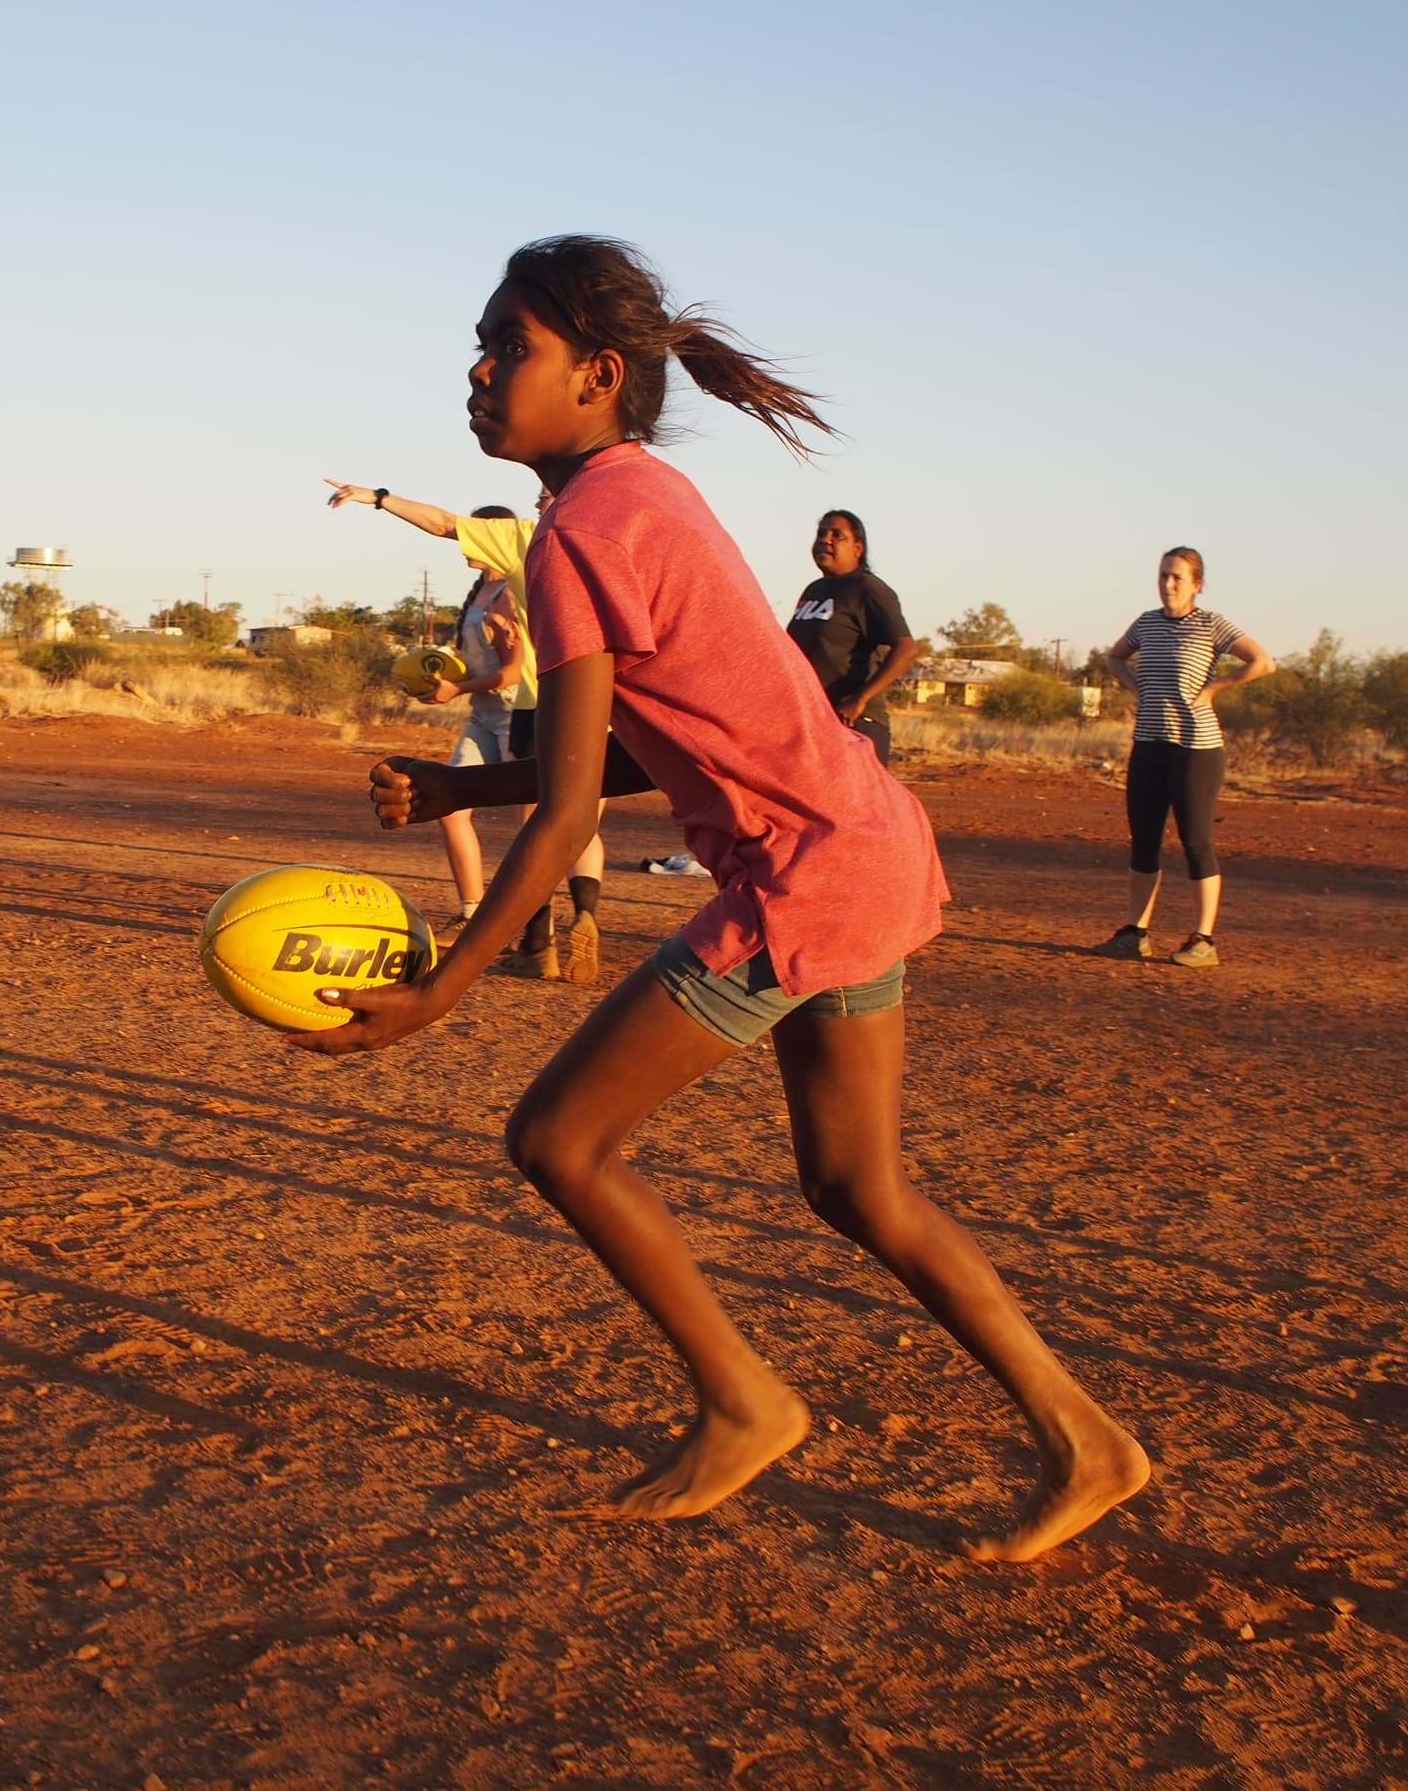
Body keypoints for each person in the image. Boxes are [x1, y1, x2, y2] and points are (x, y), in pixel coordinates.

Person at [295, 235, 1147, 1559]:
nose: (477, 372)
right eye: (481, 346)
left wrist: (441, 991)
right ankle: (1088, 1439)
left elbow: (572, 813)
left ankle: (747, 1403)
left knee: (560, 1139)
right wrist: (469, 786)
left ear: (597, 374)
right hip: (862, 843)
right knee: (859, 1185)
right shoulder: (648, 492)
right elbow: (671, 742)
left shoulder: (577, 537)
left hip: (801, 878)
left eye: (509, 347)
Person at [323, 477, 606, 986]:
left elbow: (443, 524)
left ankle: (535, 943)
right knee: (578, 817)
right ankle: (579, 914)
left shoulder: (528, 537)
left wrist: (378, 498)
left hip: (534, 702)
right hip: (599, 699)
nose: (539, 500)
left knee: (541, 824)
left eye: (545, 494)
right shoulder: (606, 538)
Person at [1096, 549, 1276, 967]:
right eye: (1163, 575)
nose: (1168, 583)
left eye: (1177, 577)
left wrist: (1214, 688)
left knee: (1195, 841)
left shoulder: (1211, 624)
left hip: (1196, 748)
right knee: (1144, 840)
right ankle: (1135, 933)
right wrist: (1136, 686)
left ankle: (1203, 939)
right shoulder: (1146, 623)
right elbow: (1114, 658)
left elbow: (1263, 663)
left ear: (1197, 584)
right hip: (1148, 744)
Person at [417, 547, 524, 939]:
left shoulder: (513, 591)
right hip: (483, 714)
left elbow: (513, 673)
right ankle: (471, 914)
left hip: (517, 715)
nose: (464, 545)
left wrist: (457, 689)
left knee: (531, 822)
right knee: (450, 807)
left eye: (476, 534)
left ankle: (530, 925)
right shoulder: (481, 590)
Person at [785, 508, 920, 763]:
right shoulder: (814, 590)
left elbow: (906, 648)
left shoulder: (869, 590)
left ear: (858, 549)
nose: (826, 540)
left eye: (837, 535)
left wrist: (860, 700)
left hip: (854, 723)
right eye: (821, 534)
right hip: (814, 722)